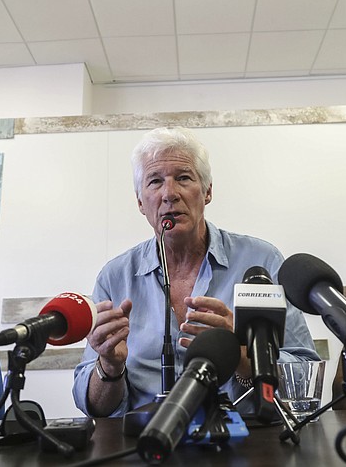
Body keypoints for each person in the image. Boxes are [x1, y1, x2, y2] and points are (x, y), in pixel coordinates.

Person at [72, 127, 318, 417]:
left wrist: (241, 355)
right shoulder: (115, 277)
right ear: (140, 202)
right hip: (144, 443)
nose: (169, 194)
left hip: (244, 440)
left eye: (183, 178)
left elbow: (304, 378)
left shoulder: (261, 261)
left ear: (208, 191)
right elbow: (94, 407)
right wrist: (110, 367)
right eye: (154, 181)